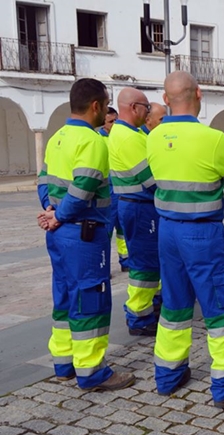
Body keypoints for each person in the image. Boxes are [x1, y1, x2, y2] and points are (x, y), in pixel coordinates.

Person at [147, 71, 224, 408]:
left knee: (174, 304)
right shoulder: (212, 139)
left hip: (167, 231)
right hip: (202, 233)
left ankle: (168, 375)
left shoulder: (152, 137)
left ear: (166, 100)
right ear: (199, 93)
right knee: (218, 306)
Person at [36, 78, 135, 391]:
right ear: (95, 106)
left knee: (64, 296)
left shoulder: (56, 138)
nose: (106, 111)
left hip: (60, 233)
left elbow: (43, 180)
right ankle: (92, 371)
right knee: (90, 298)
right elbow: (82, 189)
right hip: (84, 234)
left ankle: (64, 362)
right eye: (105, 106)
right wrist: (61, 214)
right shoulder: (93, 141)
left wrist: (51, 213)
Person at [108, 88, 160, 337]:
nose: (148, 113)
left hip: (137, 205)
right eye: (146, 108)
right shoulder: (128, 138)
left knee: (148, 261)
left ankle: (147, 307)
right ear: (134, 107)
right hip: (140, 206)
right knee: (144, 264)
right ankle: (139, 316)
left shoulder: (131, 133)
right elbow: (151, 179)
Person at [99, 107, 129, 272]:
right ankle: (103, 266)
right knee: (106, 231)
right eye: (111, 121)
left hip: (122, 190)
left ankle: (125, 261)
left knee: (123, 229)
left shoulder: (120, 138)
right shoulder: (98, 139)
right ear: (103, 123)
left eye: (117, 120)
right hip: (108, 191)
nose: (115, 124)